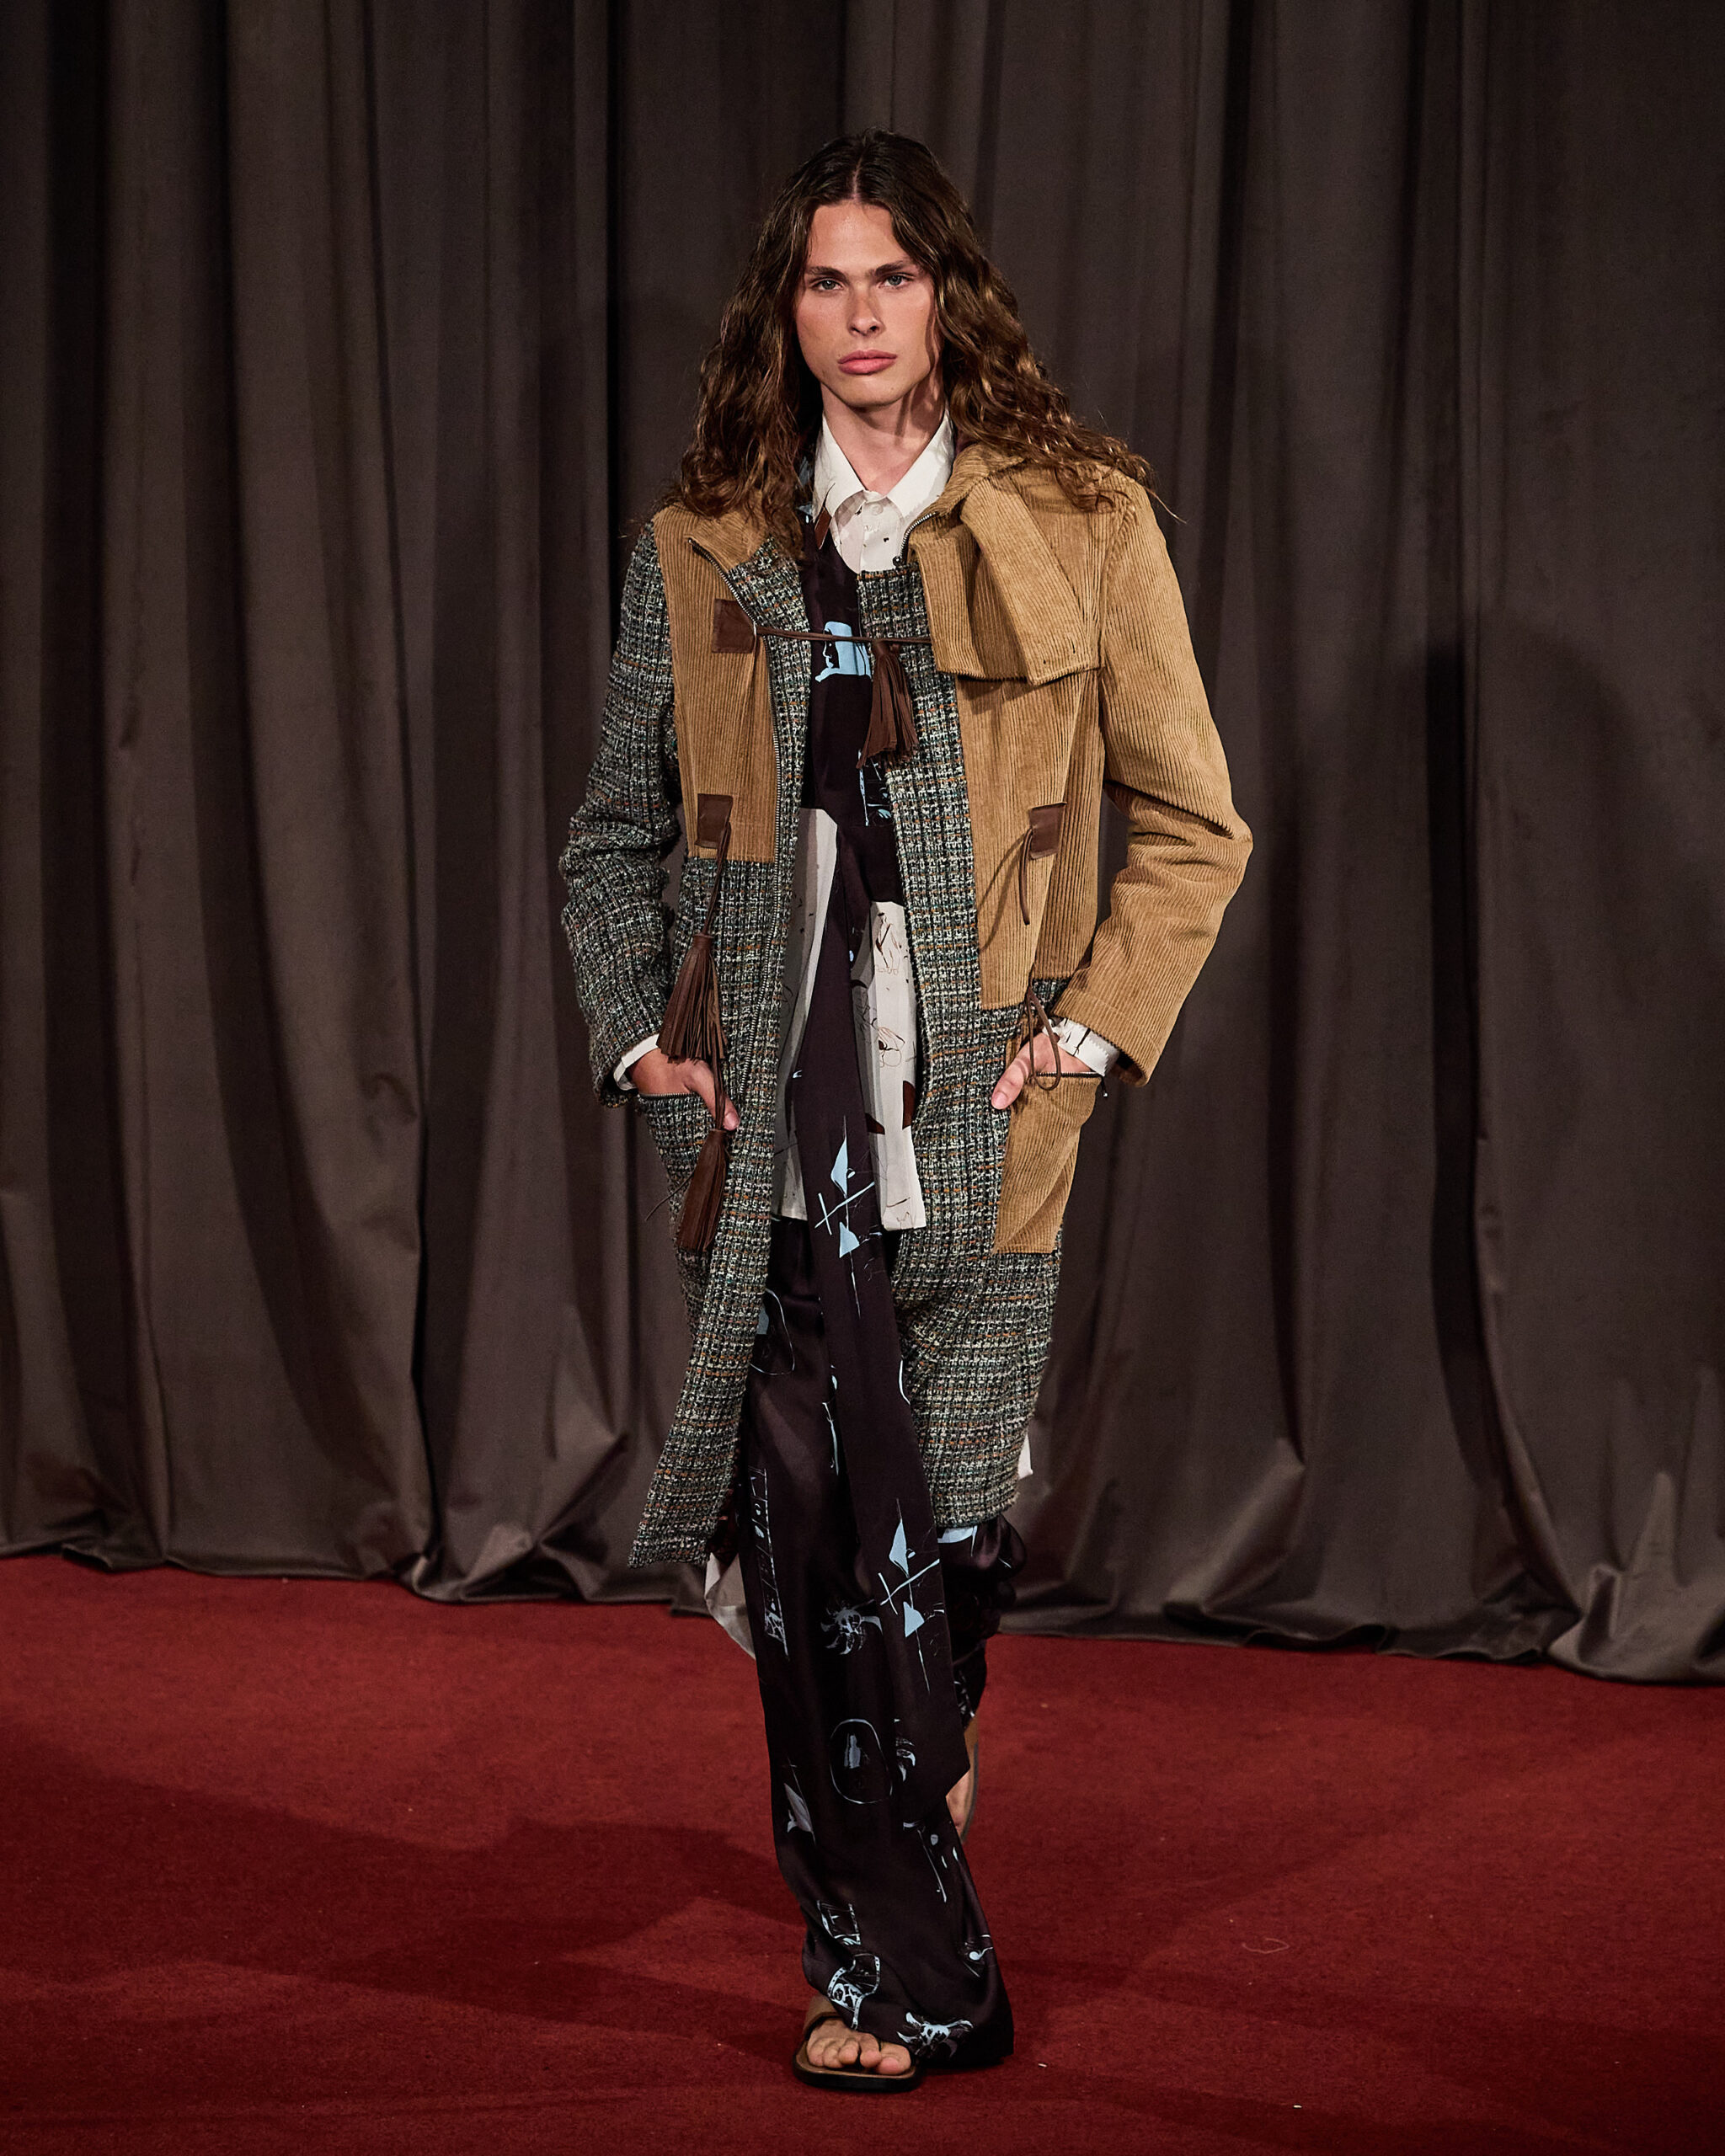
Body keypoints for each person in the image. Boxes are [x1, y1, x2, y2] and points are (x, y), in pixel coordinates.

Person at [561, 129, 1250, 2092]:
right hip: (773, 1148)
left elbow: (1193, 827)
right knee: (810, 1579)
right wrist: (642, 1044)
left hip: (983, 1139)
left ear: (945, 295)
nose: (860, 317)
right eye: (825, 281)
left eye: (891, 276)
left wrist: (1093, 1034)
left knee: (932, 1569)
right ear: (783, 312)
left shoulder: (1083, 517)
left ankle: (905, 1875)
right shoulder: (702, 543)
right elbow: (611, 842)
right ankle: (895, 1978)